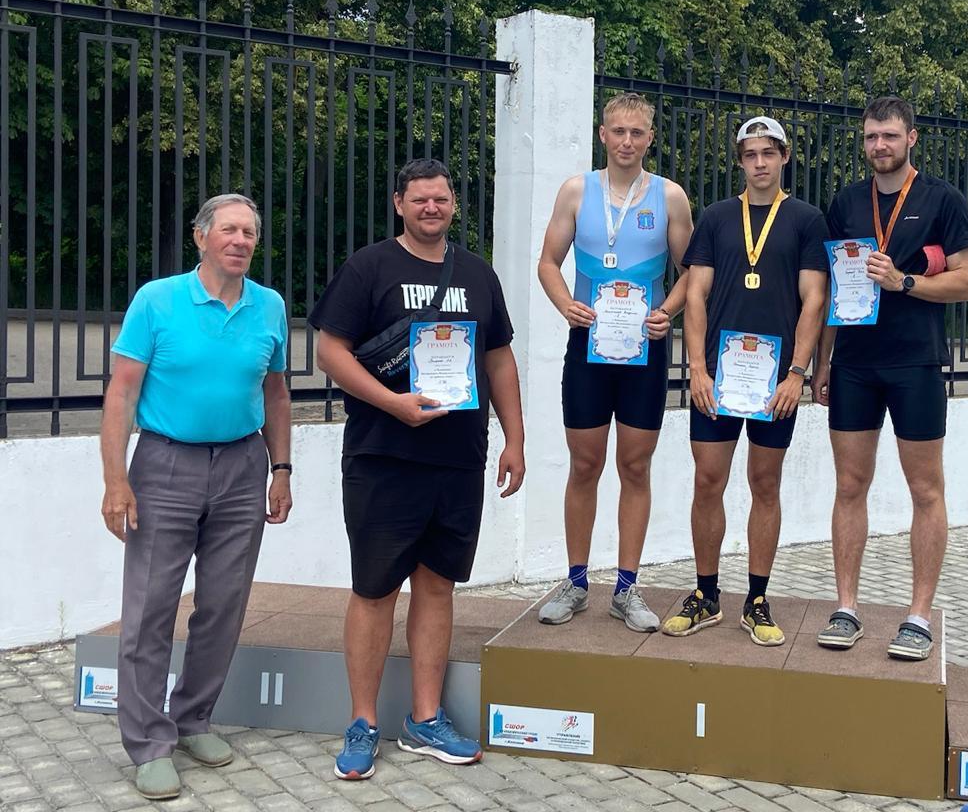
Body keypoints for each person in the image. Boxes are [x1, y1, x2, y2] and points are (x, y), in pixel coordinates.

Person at [310, 158, 525, 779]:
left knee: (437, 586)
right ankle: (362, 722)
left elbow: (499, 359)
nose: (432, 208)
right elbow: (329, 350)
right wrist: (393, 404)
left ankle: (424, 719)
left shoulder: (478, 274)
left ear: (453, 204)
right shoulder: (369, 267)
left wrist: (515, 438)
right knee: (374, 590)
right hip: (383, 455)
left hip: (458, 457)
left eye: (442, 199)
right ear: (399, 204)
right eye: (420, 199)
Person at [100, 193, 292, 800]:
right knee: (150, 608)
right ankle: (148, 743)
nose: (240, 240)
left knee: (224, 604)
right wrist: (115, 479)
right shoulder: (157, 300)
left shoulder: (270, 306)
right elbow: (121, 393)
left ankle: (192, 719)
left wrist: (281, 469)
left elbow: (277, 393)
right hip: (165, 465)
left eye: (249, 232)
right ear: (201, 236)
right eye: (229, 230)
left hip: (242, 465)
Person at [811, 95, 968, 660]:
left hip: (916, 362)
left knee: (925, 489)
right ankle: (846, 608)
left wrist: (904, 282)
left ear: (912, 138)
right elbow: (833, 290)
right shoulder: (846, 202)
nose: (879, 145)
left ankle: (918, 616)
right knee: (849, 485)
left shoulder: (943, 200)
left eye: (889, 135)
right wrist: (823, 361)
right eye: (870, 136)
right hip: (855, 364)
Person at [661, 115, 828, 647]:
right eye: (750, 155)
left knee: (765, 484)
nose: (759, 163)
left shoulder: (806, 220)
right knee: (707, 481)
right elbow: (695, 294)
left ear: (785, 157)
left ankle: (757, 599)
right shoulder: (716, 217)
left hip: (776, 383)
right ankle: (706, 594)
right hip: (717, 379)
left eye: (768, 153)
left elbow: (814, 300)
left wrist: (797, 373)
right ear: (739, 161)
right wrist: (697, 368)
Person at [535, 92, 695, 632]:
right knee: (584, 465)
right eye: (618, 131)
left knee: (635, 467)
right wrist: (565, 304)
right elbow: (548, 261)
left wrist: (667, 311)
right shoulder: (576, 191)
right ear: (602, 134)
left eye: (637, 133)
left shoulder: (670, 197)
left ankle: (627, 587)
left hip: (645, 349)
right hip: (589, 345)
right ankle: (577, 582)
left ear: (650, 138)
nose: (627, 142)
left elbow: (692, 270)